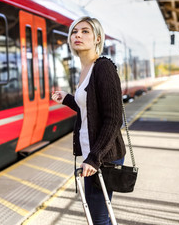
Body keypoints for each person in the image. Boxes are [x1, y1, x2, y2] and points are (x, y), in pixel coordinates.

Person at [51, 16, 126, 225]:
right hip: (91, 152)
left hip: (103, 154)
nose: (78, 35)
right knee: (97, 216)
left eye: (85, 31)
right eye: (75, 32)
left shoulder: (103, 67)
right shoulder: (85, 70)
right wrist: (68, 99)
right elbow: (91, 110)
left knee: (99, 218)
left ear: (97, 39)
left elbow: (113, 119)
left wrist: (95, 157)